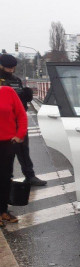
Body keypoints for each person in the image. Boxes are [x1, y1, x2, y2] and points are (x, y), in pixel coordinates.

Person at [0, 54, 46, 186]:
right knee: (5, 156)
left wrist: (26, 96)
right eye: (9, 68)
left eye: (13, 68)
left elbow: (21, 105)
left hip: (18, 122)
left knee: (23, 150)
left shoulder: (16, 80)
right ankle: (6, 179)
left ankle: (29, 175)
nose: (11, 71)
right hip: (4, 125)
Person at [0, 85, 28, 226]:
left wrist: (19, 135)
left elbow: (21, 114)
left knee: (5, 178)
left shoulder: (7, 91)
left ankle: (3, 210)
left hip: (7, 143)